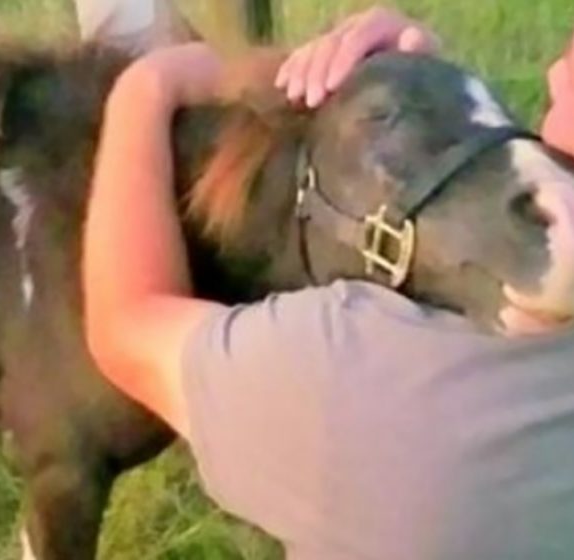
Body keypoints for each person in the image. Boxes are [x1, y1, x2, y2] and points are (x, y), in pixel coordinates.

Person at [82, 5, 574, 559]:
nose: (556, 70)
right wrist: (431, 103)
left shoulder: (364, 379)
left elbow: (127, 327)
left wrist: (145, 89)